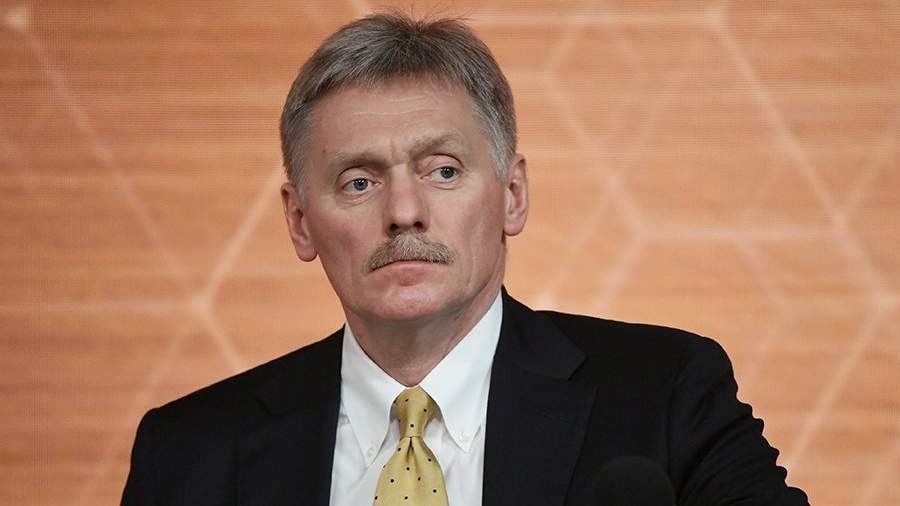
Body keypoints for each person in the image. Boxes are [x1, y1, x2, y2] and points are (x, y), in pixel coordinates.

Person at [121, 13, 809, 506]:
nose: (404, 211)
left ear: (512, 196)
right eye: (358, 182)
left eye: (443, 171)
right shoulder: (187, 455)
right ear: (300, 222)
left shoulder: (665, 396)